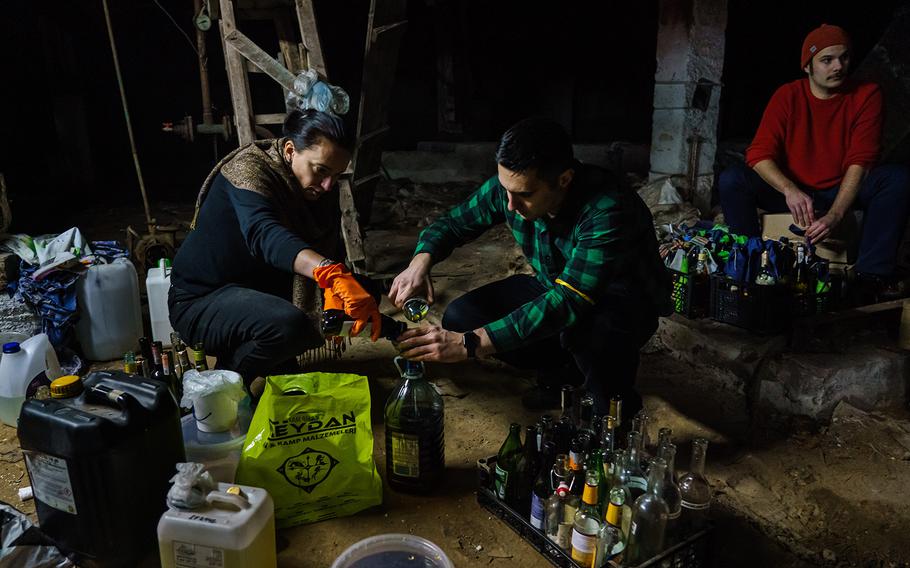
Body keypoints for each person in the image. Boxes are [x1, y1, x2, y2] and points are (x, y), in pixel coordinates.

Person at [389, 117, 672, 413]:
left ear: (563, 179)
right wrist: (420, 262)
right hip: (556, 286)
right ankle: (562, 373)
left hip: (619, 302)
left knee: (586, 332)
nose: (510, 204)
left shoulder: (608, 208)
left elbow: (569, 302)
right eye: (505, 189)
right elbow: (453, 223)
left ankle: (614, 405)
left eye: (524, 194)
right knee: (463, 317)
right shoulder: (511, 189)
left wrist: (469, 345)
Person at [168, 109, 383, 385]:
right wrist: (330, 273)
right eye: (321, 170)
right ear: (291, 150)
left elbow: (328, 246)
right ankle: (227, 382)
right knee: (290, 327)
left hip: (260, 292)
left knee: (365, 292)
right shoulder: (249, 170)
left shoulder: (318, 188)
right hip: (202, 301)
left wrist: (336, 287)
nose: (328, 185)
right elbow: (265, 235)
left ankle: (275, 349)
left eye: (337, 175)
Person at [719, 24, 910, 297]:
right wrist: (789, 189)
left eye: (844, 57)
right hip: (795, 191)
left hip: (841, 188)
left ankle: (871, 277)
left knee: (897, 179)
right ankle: (748, 262)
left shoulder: (867, 95)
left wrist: (835, 214)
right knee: (733, 179)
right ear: (807, 66)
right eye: (827, 60)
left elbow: (862, 161)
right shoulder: (788, 96)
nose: (838, 66)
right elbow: (759, 154)